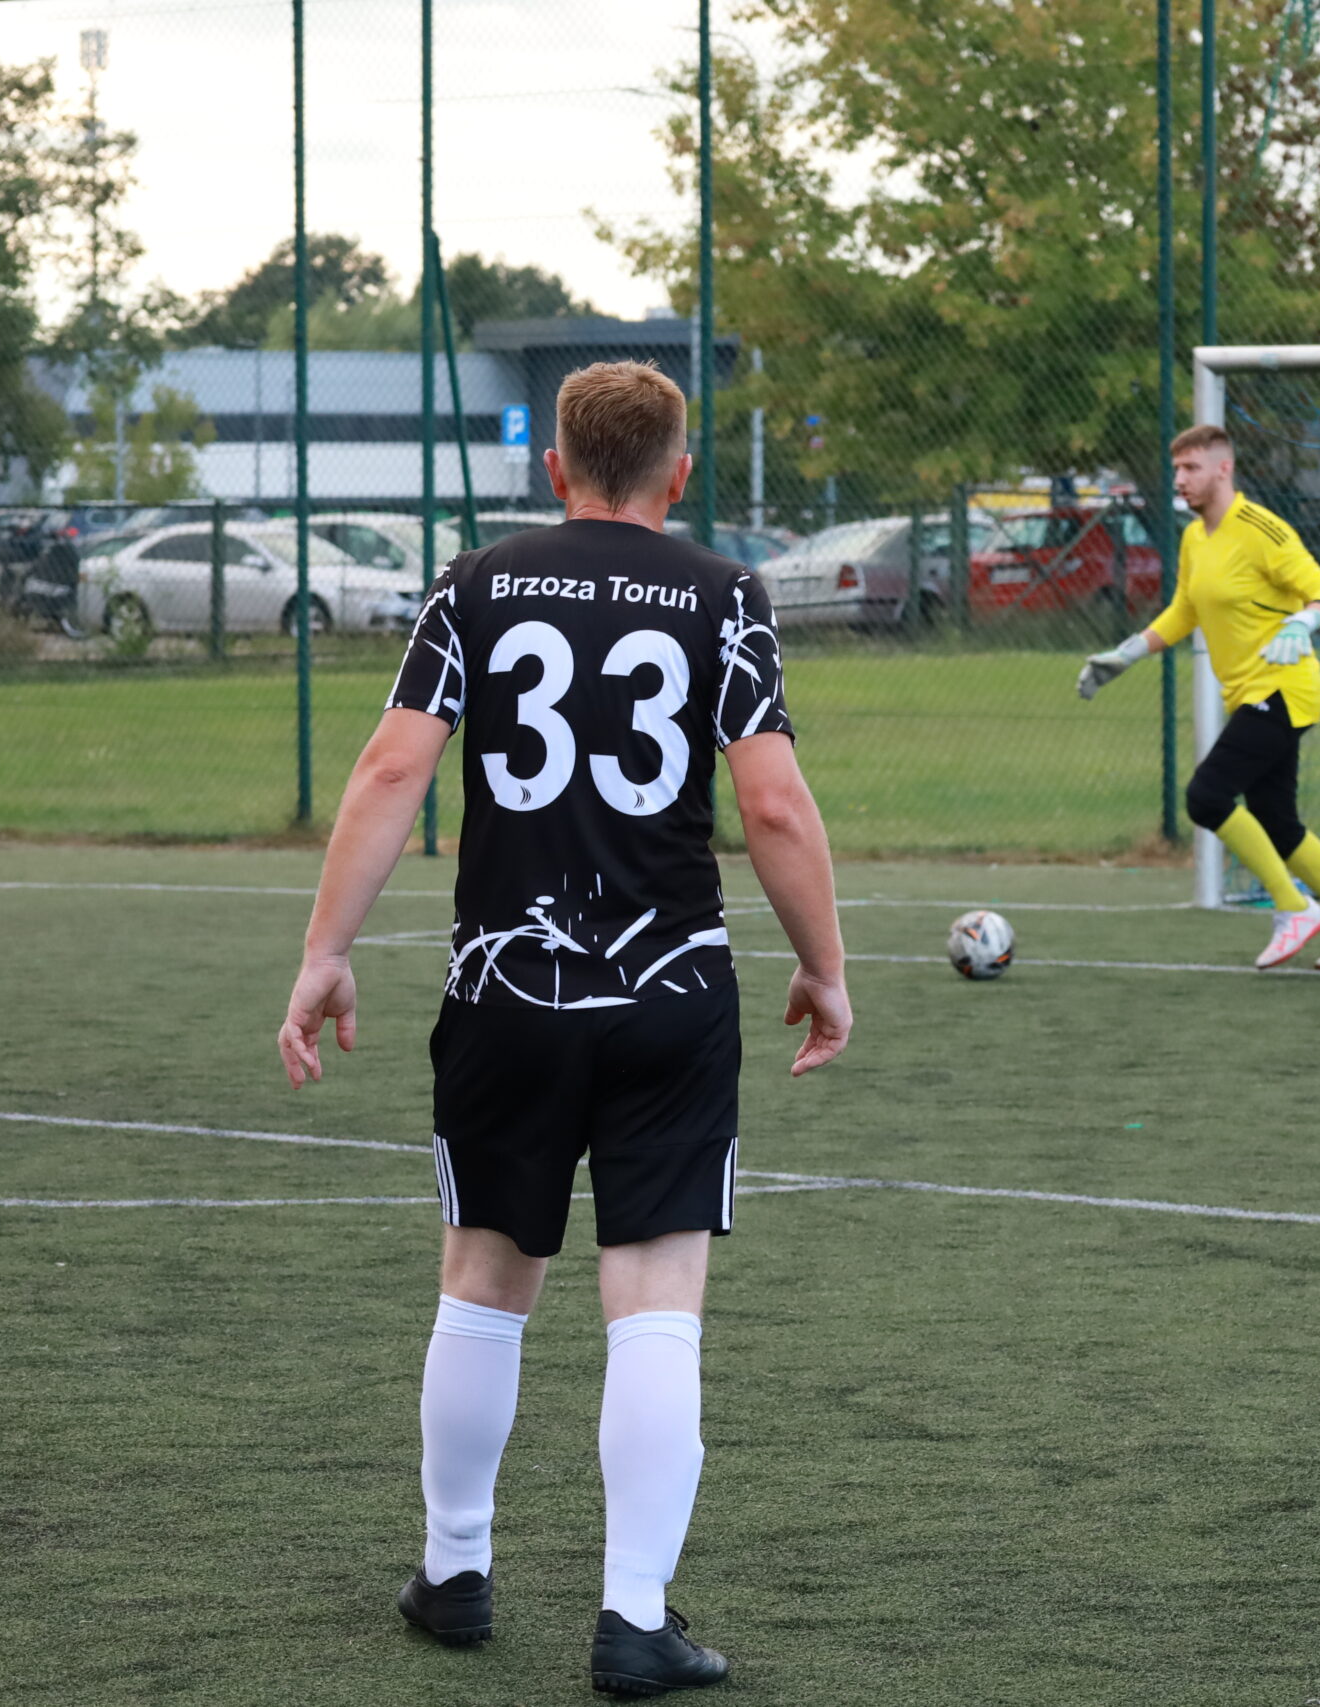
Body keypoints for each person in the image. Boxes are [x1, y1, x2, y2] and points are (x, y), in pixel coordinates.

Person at [276, 359, 850, 1697]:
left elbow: (393, 767)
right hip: (671, 994)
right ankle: (633, 1616)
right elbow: (773, 804)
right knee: (655, 1292)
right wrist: (825, 966)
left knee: (483, 1276)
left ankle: (456, 1573)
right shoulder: (725, 593)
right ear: (679, 474)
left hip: (506, 994)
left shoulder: (474, 584)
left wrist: (325, 952)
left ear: (555, 467)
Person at [1077, 423, 1320, 971]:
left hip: (1285, 687)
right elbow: (1185, 610)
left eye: (1191, 468)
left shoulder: (1261, 529)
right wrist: (1126, 654)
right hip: (1251, 695)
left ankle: (1293, 907)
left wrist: (1301, 623)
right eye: (1176, 469)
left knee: (1207, 796)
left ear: (1223, 469)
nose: (1179, 479)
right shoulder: (1194, 538)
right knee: (1277, 821)